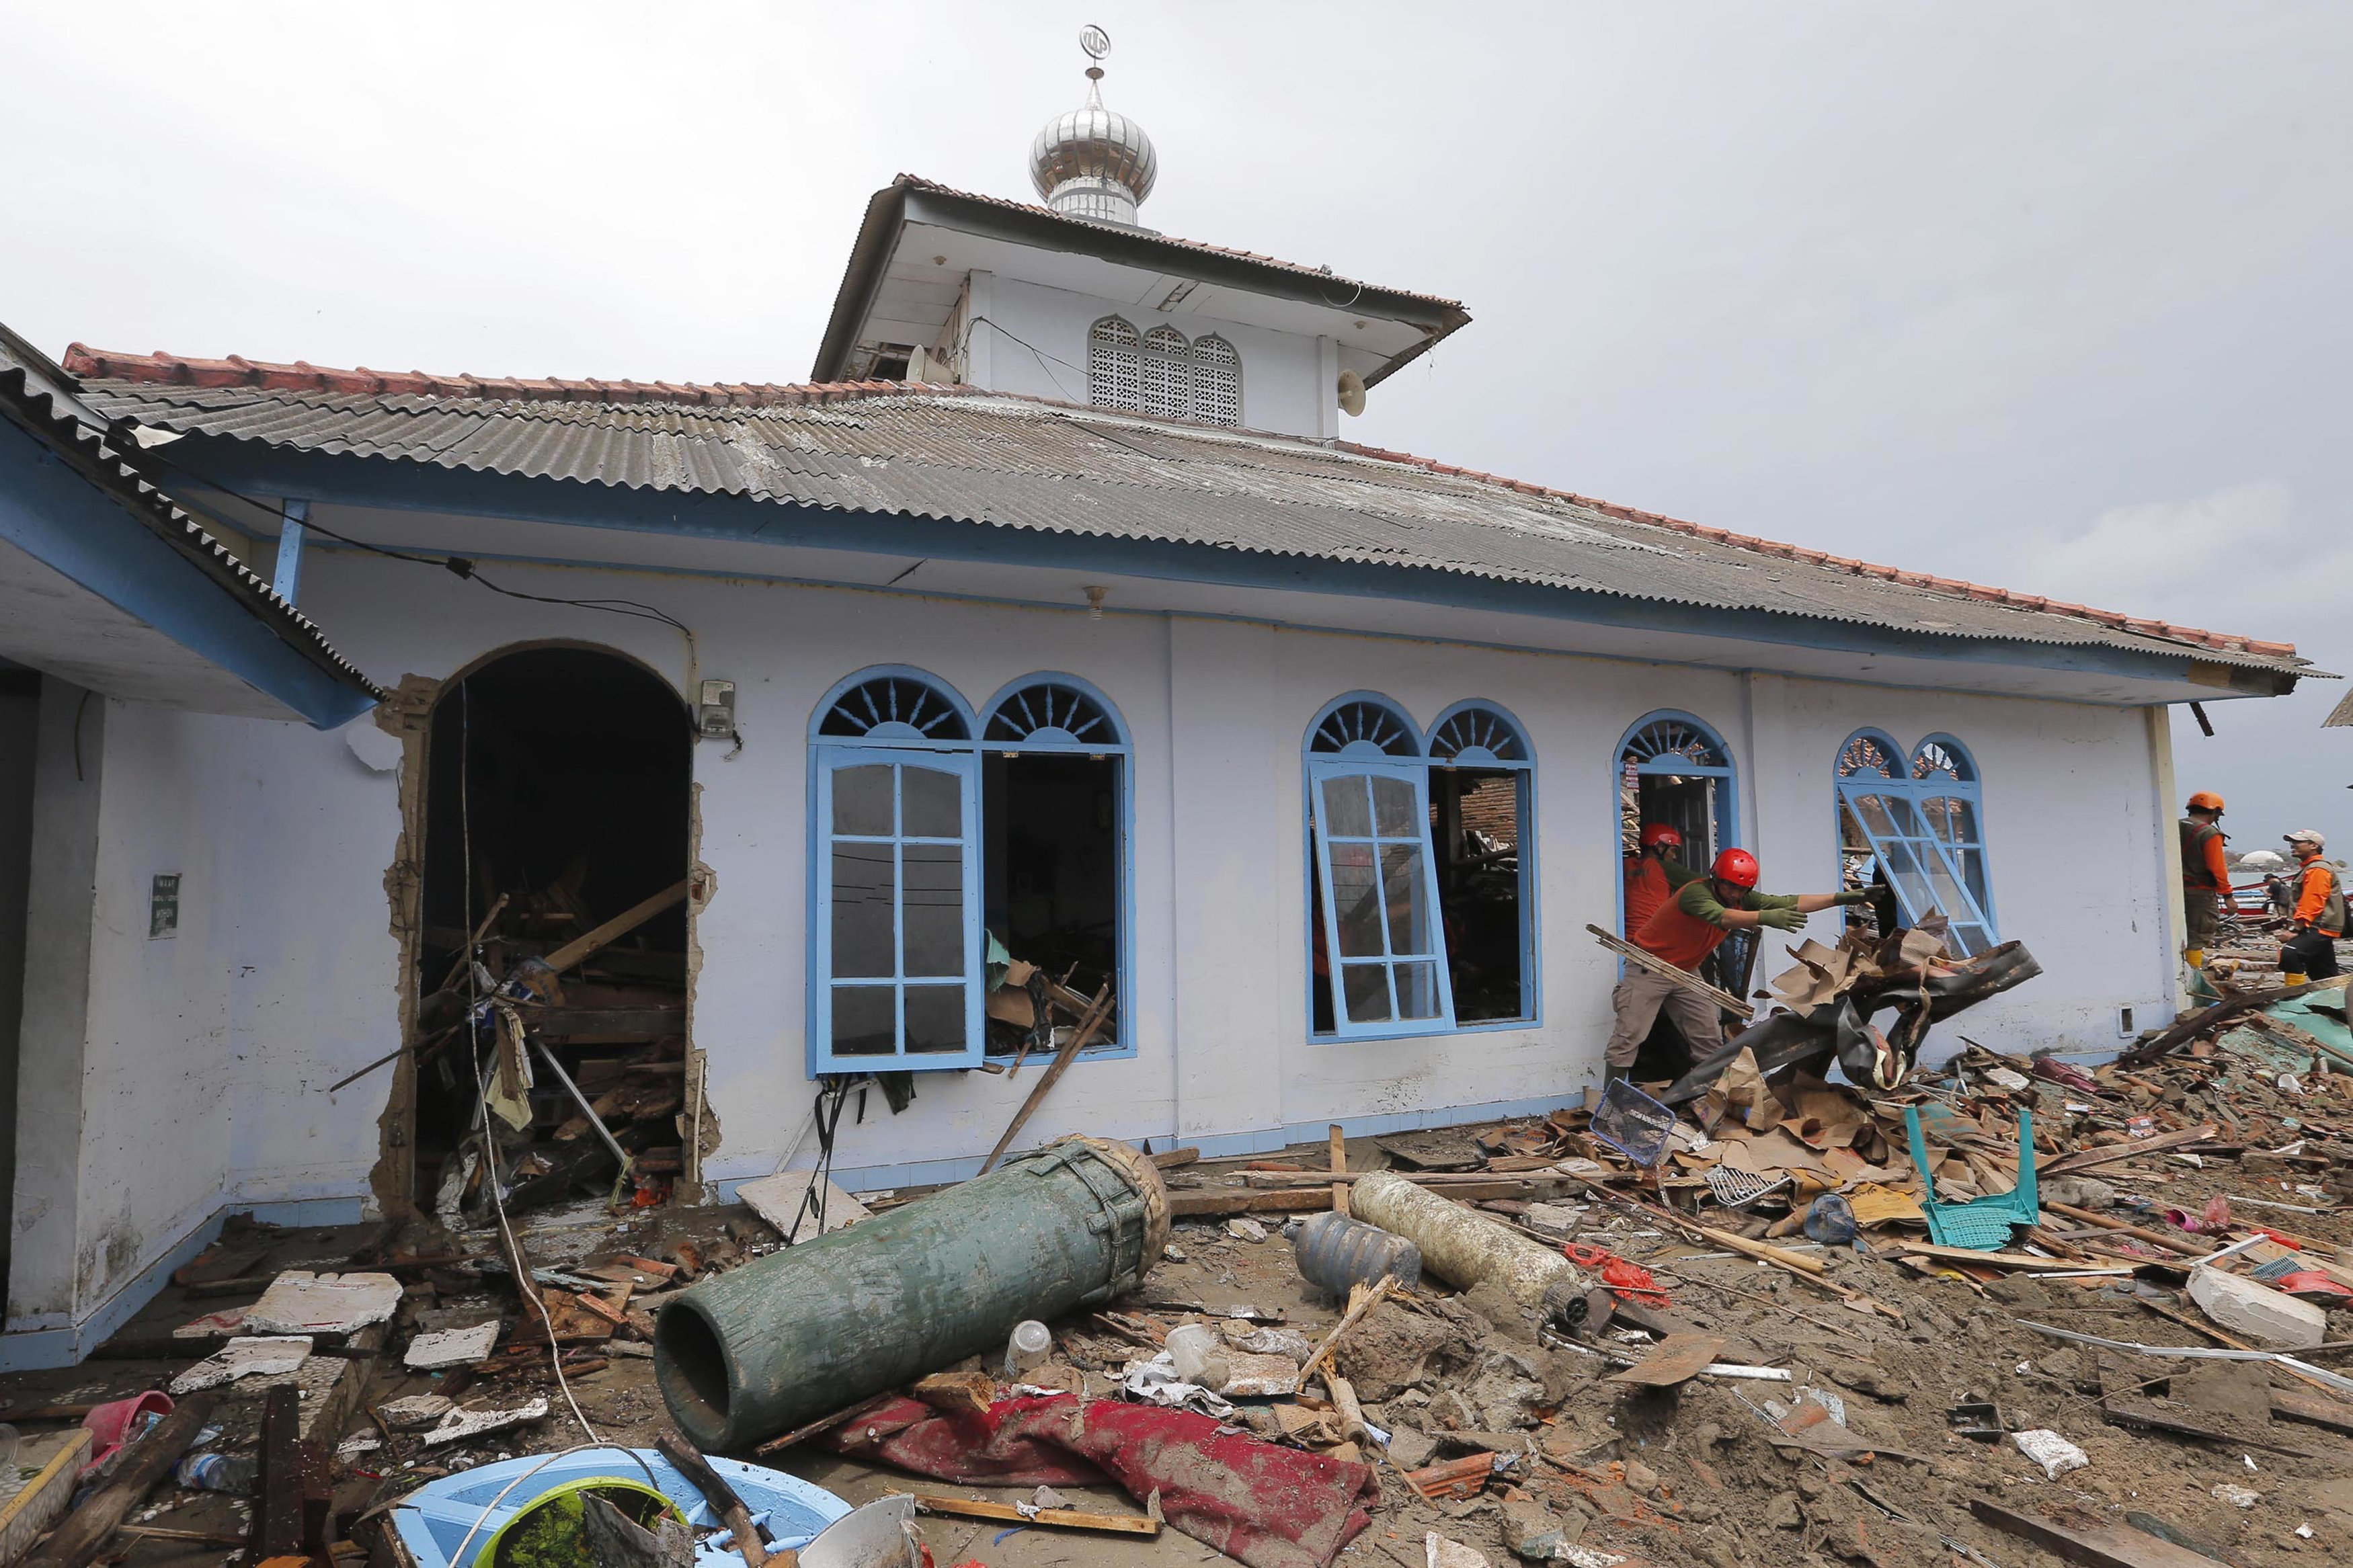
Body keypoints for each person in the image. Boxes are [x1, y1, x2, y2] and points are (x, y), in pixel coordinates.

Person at [1601, 848, 1869, 1087]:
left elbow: (1789, 901)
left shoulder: (1742, 898)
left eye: (1742, 890)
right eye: (1729, 887)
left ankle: (1709, 1099)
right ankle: (1608, 1098)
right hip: (1651, 966)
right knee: (1629, 1036)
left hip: (1686, 972)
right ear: (1716, 879)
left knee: (1708, 1043)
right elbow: (1723, 917)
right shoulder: (1695, 893)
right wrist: (1765, 918)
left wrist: (1839, 899)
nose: (1734, 894)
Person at [2280, 829, 2345, 985]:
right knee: (2322, 972)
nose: (2293, 846)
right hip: (2318, 926)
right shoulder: (2310, 868)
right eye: (2292, 842)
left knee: (2290, 954)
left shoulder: (2318, 869)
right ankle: (2336, 1001)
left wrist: (2296, 929)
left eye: (2298, 842)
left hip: (2318, 926)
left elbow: (2313, 900)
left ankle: (2291, 998)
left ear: (2314, 845)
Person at [2177, 791, 2230, 979]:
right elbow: (2217, 869)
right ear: (2214, 812)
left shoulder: (2173, 825)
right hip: (2199, 893)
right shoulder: (2209, 833)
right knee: (2197, 936)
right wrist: (2228, 896)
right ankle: (2191, 979)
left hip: (2173, 891)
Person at [1623, 822, 1702, 934]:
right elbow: (1710, 885)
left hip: (1624, 935)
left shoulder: (1626, 865)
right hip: (1651, 937)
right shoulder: (1663, 867)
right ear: (1660, 847)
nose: (1675, 857)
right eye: (1673, 851)